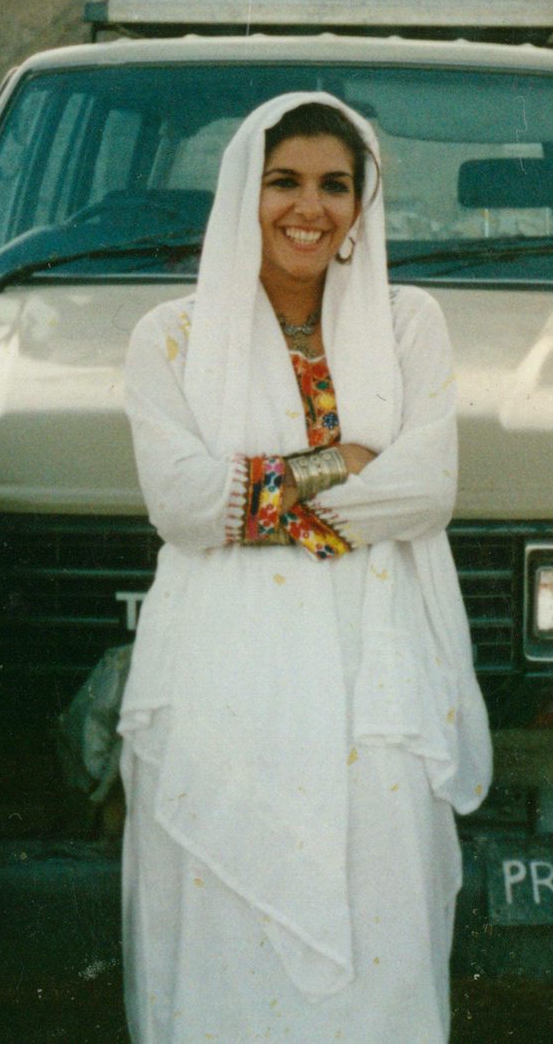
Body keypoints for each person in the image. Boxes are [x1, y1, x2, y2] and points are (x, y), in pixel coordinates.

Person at [118, 93, 492, 1043]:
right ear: (246, 191)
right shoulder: (171, 336)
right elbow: (183, 506)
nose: (309, 208)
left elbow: (424, 490)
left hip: (379, 674)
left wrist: (255, 496)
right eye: (284, 181)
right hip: (223, 678)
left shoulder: (411, 325)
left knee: (382, 931)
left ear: (364, 205)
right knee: (226, 933)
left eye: (335, 185)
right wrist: (343, 461)